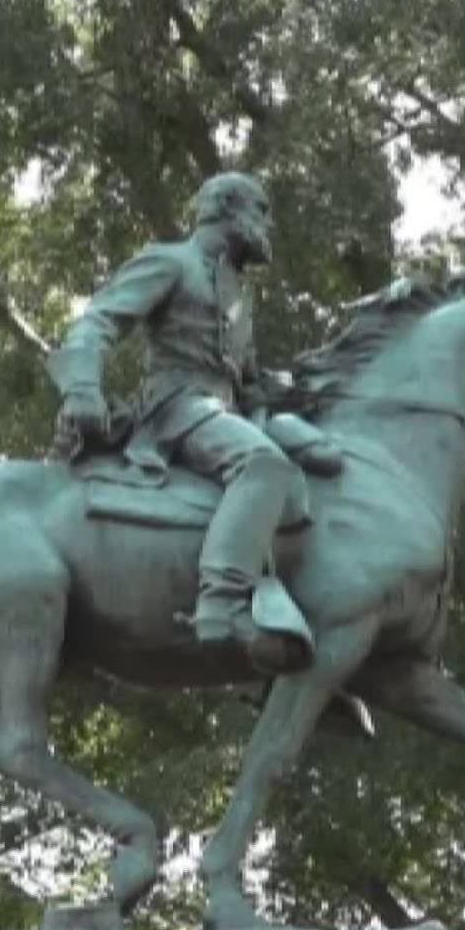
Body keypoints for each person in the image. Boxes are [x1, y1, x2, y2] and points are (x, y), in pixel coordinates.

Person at [49, 172, 304, 664]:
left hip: (227, 410)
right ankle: (223, 604)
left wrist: (286, 387)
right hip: (179, 407)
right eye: (260, 211)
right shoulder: (172, 261)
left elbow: (243, 379)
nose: (267, 225)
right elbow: (97, 320)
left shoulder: (238, 293)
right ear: (226, 208)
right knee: (263, 464)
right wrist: (82, 387)